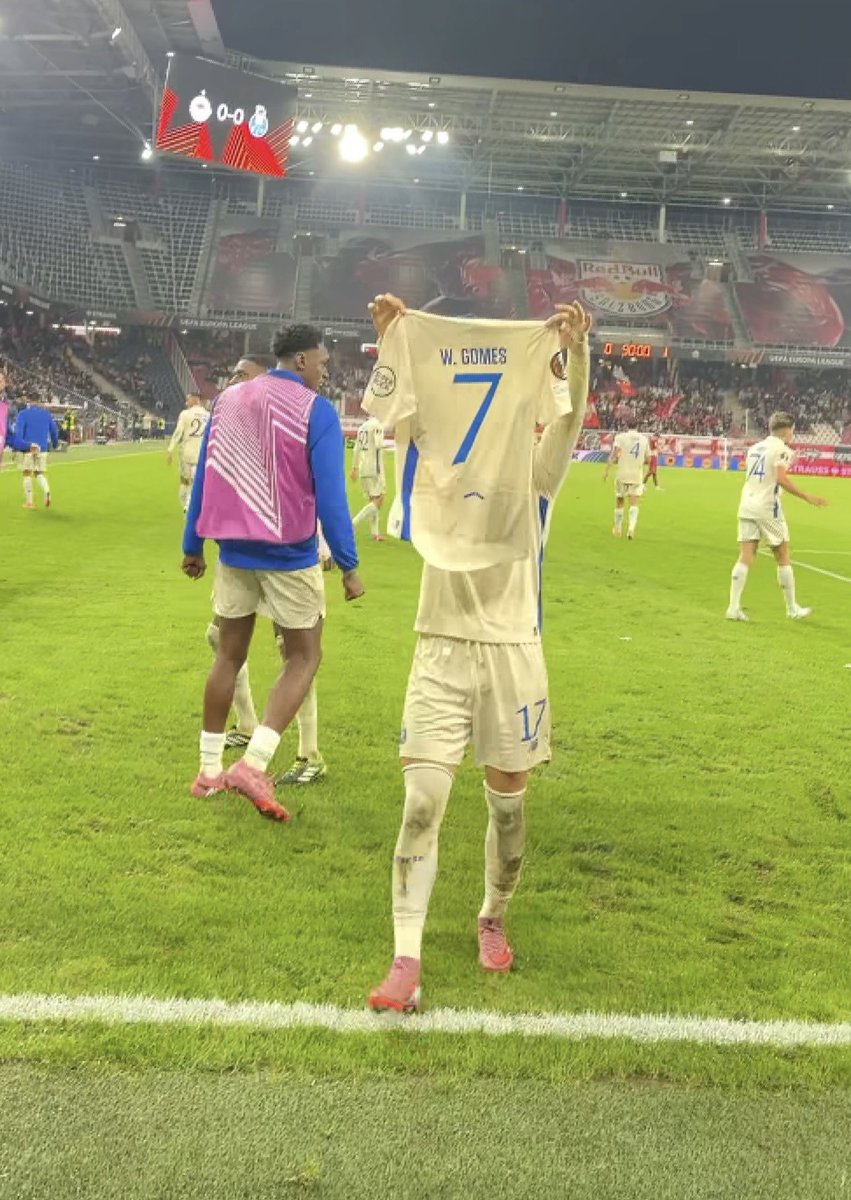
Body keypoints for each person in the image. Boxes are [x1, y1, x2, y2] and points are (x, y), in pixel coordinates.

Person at [365, 294, 592, 1013]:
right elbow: (400, 415)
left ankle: (492, 912)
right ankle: (406, 957)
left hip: (512, 654)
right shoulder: (433, 465)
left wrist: (578, 352)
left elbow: (571, 419)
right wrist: (391, 343)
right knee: (422, 802)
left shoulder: (537, 479)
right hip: (439, 647)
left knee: (507, 812)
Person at [182, 324, 363, 821]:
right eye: (322, 361)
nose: (325, 370)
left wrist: (192, 544)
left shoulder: (230, 401)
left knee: (228, 656)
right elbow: (331, 498)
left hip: (233, 551)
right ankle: (255, 763)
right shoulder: (315, 411)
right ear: (301, 359)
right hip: (288, 553)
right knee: (304, 657)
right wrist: (348, 566)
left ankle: (208, 772)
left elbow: (206, 474)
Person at [204, 353, 330, 786]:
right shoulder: (241, 419)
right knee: (224, 640)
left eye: (242, 373)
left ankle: (307, 752)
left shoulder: (291, 414)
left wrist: (331, 549)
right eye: (234, 372)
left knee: (293, 653)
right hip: (247, 555)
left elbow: (314, 490)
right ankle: (247, 725)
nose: (235, 379)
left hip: (288, 557)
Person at [727, 411, 827, 622]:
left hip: (746, 504)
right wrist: (806, 496)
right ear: (787, 430)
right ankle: (792, 608)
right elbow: (780, 478)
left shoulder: (755, 448)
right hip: (767, 507)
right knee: (782, 555)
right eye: (793, 430)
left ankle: (733, 607)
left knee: (746, 555)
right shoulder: (782, 449)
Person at [603, 423, 650, 540]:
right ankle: (631, 529)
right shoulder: (644, 439)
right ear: (637, 427)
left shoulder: (620, 437)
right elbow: (648, 459)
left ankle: (618, 529)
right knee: (634, 502)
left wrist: (607, 470)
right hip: (636, 475)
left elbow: (615, 454)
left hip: (622, 473)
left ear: (627, 426)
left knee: (619, 500)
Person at [14, 390, 59, 510]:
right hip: (43, 448)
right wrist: (54, 444)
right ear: (39, 401)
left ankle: (29, 502)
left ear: (28, 401)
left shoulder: (23, 414)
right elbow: (54, 431)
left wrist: (19, 446)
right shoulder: (46, 414)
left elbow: (19, 433)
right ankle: (47, 491)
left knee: (27, 472)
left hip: (29, 447)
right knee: (39, 473)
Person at [167, 392, 210, 512]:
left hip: (187, 454)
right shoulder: (208, 415)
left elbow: (178, 432)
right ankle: (195, 507)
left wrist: (170, 449)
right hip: (202, 455)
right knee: (198, 483)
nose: (186, 402)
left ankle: (187, 506)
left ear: (195, 400)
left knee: (185, 483)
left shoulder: (185, 414)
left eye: (188, 399)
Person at [350, 414, 386, 541]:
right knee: (380, 499)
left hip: (363, 468)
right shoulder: (377, 425)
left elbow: (356, 449)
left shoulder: (362, 428)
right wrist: (379, 471)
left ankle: (375, 534)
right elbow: (378, 446)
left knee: (372, 501)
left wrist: (354, 468)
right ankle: (353, 523)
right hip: (374, 469)